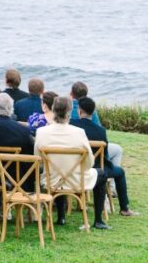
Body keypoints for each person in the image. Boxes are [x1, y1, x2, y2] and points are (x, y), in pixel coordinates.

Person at [35, 95, 110, 229]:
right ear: (70, 112)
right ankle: (98, 220)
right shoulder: (79, 132)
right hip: (76, 181)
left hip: (51, 180)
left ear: (53, 109)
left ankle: (61, 217)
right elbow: (89, 162)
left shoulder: (41, 132)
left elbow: (38, 160)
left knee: (58, 170)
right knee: (102, 174)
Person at [72, 97, 138, 217]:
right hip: (96, 169)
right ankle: (124, 208)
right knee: (120, 172)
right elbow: (105, 155)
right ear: (93, 112)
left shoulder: (72, 125)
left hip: (73, 168)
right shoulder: (101, 131)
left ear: (79, 111)